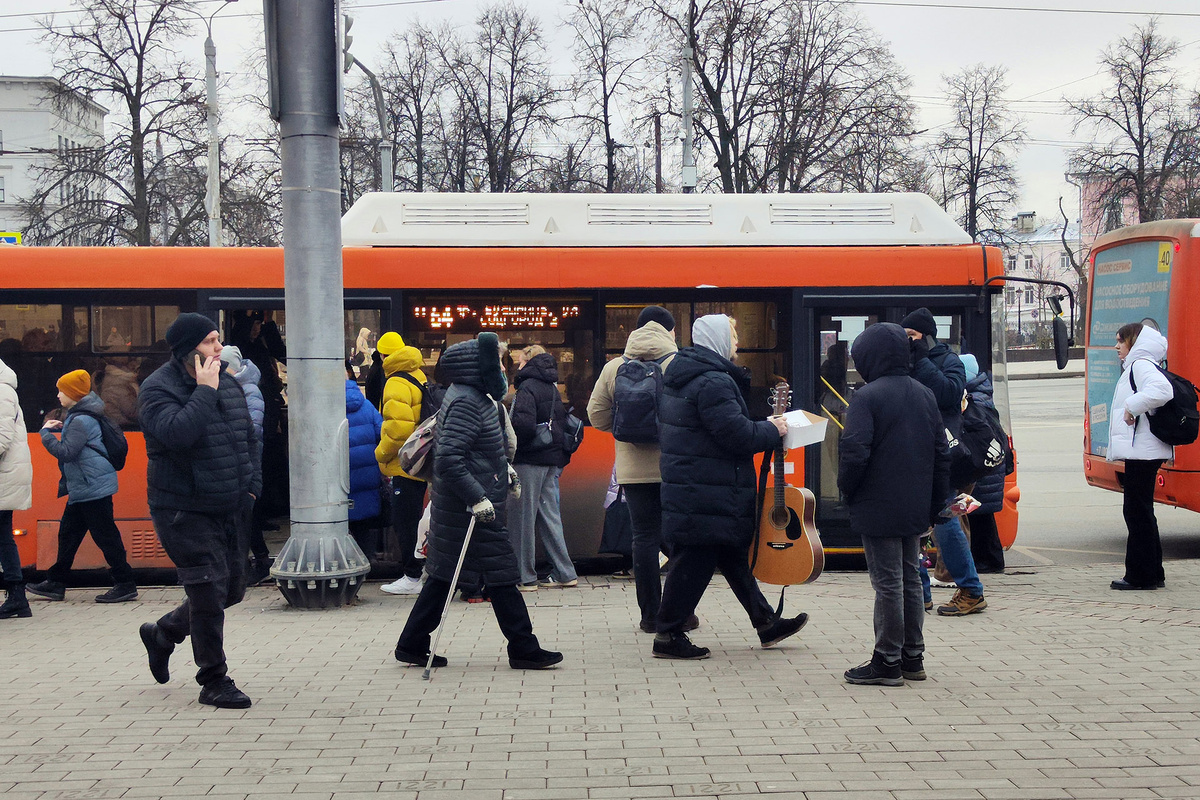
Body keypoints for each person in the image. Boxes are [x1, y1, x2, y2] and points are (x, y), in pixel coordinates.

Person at [393, 332, 563, 671]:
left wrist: (506, 473)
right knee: (499, 575)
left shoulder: (477, 398)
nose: (504, 370)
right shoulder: (468, 402)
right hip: (469, 510)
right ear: (479, 367)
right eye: (498, 363)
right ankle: (523, 648)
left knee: (444, 576)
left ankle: (412, 643)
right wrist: (478, 498)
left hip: (469, 507)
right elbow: (449, 460)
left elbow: (481, 453)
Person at [653, 314, 807, 659]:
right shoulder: (713, 381)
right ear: (718, 339)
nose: (737, 341)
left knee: (732, 556)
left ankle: (766, 622)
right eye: (733, 335)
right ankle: (667, 634)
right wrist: (775, 428)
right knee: (693, 561)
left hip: (698, 484)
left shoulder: (684, 375)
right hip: (707, 489)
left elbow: (717, 428)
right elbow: (736, 435)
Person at [136, 313, 261, 710]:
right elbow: (177, 434)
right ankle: (213, 680)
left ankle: (164, 632)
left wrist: (252, 488)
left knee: (233, 589)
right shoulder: (158, 389)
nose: (219, 348)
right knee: (208, 592)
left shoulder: (226, 381)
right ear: (189, 349)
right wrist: (204, 391)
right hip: (183, 508)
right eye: (210, 342)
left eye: (218, 340)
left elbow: (248, 438)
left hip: (230, 504)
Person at [839, 322, 950, 685]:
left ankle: (886, 660)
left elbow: (854, 452)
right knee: (910, 580)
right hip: (915, 504)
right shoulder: (924, 393)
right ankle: (912, 657)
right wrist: (935, 503)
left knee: (887, 582)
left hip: (877, 503)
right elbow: (941, 455)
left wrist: (848, 491)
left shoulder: (866, 397)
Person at [587, 306, 695, 631]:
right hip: (674, 467)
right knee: (680, 540)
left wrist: (624, 431)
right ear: (670, 331)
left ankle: (650, 616)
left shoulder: (614, 367)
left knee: (644, 539)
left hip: (632, 471)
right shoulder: (679, 365)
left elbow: (596, 415)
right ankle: (679, 614)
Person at [901, 307, 986, 617]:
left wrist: (922, 361)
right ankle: (920, 593)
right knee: (912, 527)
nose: (907, 343)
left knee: (946, 521)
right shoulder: (903, 362)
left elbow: (950, 395)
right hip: (910, 452)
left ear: (924, 336)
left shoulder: (947, 360)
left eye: (911, 337)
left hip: (941, 455)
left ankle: (971, 590)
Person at [28, 369, 137, 604]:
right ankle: (56, 582)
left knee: (105, 536)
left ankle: (125, 583)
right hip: (87, 486)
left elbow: (66, 453)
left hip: (92, 487)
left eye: (62, 391)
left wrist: (45, 434)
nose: (58, 395)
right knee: (69, 534)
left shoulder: (80, 420)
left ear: (73, 394)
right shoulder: (84, 415)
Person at [1108, 322, 1173, 591]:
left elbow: (1163, 391)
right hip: (1144, 450)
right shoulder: (1140, 364)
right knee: (1142, 510)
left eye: (1120, 342)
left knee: (1136, 511)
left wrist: (1131, 406)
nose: (1116, 347)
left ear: (1132, 343)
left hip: (1143, 452)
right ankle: (1152, 571)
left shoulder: (1141, 364)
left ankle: (1140, 575)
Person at [508, 345, 577, 591]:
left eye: (521, 361)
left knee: (522, 520)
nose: (518, 365)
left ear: (530, 363)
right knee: (550, 518)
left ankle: (525, 576)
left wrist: (513, 447)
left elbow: (523, 426)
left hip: (529, 461)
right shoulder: (551, 386)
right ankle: (565, 573)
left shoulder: (526, 388)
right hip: (550, 460)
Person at [375, 334, 430, 595]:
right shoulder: (417, 374)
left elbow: (397, 431)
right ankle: (421, 572)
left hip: (404, 464)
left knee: (405, 522)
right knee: (417, 520)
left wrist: (381, 454)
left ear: (384, 356)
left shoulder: (395, 381)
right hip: (422, 461)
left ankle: (412, 576)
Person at [223, 346, 270, 585]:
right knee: (244, 518)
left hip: (247, 463)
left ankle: (256, 564)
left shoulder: (248, 389)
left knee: (245, 517)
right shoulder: (239, 387)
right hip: (240, 462)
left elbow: (252, 427)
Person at [961, 354, 1007, 574]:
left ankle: (989, 562)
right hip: (989, 467)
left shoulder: (974, 400)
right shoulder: (981, 394)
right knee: (982, 518)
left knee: (980, 518)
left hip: (983, 469)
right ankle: (989, 561)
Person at [0, 356, 34, 619]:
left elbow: (2, 438)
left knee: (3, 536)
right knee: (2, 536)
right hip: (5, 476)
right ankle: (17, 596)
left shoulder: (2, 391)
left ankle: (17, 595)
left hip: (4, 476)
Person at [346, 359, 385, 560]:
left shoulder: (323, 408)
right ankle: (367, 563)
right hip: (367, 475)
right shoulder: (367, 406)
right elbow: (382, 433)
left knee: (340, 526)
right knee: (363, 525)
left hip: (340, 478)